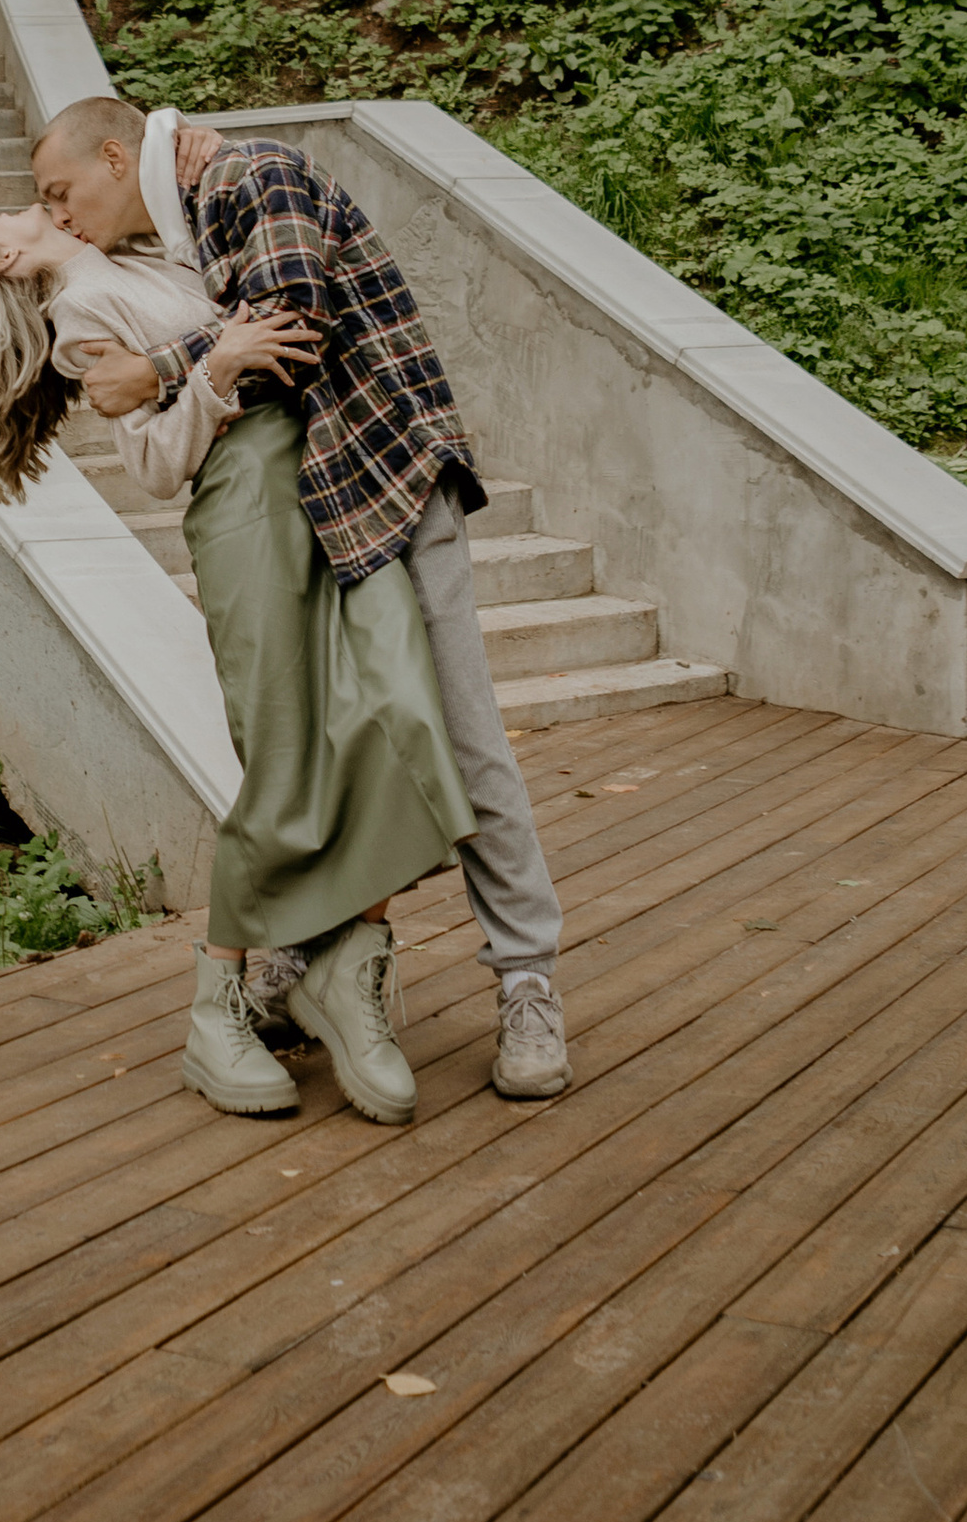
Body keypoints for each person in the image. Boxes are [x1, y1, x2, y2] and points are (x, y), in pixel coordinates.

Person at [32, 92, 570, 1106]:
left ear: (115, 155)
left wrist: (155, 372)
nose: (61, 218)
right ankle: (307, 962)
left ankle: (526, 982)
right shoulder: (185, 224)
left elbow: (293, 324)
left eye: (63, 195)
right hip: (318, 504)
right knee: (337, 740)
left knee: (456, 736)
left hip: (390, 483)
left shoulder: (248, 176)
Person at [0, 203, 478, 1123]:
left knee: (397, 715)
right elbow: (151, 462)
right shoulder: (84, 317)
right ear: (13, 258)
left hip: (325, 482)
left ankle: (346, 970)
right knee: (288, 751)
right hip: (249, 508)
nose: (12, 210)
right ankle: (216, 1011)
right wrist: (214, 371)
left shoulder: (142, 263)